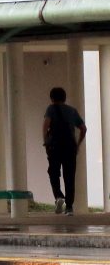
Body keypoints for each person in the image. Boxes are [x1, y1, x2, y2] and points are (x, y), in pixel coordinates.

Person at [43, 87, 87, 215]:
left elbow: (45, 126)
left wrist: (46, 142)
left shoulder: (51, 109)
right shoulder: (72, 111)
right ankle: (69, 207)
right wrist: (78, 144)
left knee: (53, 172)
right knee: (69, 176)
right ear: (64, 98)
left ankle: (58, 196)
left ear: (52, 98)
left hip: (55, 146)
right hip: (70, 147)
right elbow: (83, 129)